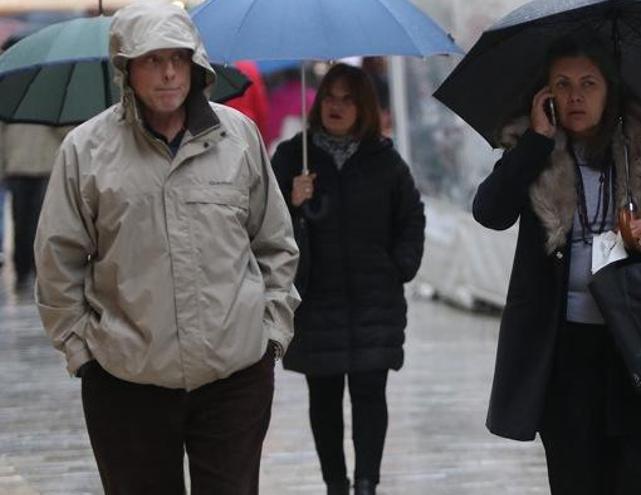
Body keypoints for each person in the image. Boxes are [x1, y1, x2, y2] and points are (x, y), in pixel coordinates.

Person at [33, 2, 299, 494]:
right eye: (152, 60)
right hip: (126, 379)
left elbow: (274, 243)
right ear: (126, 68)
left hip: (234, 373)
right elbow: (58, 261)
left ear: (197, 63)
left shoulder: (238, 137)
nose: (169, 72)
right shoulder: (86, 150)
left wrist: (270, 334)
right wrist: (82, 352)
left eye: (179, 57)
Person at [472, 35, 641, 494]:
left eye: (588, 83)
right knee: (577, 478)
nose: (575, 95)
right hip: (564, 352)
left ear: (610, 91)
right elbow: (490, 212)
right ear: (546, 96)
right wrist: (535, 144)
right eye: (562, 84)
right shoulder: (534, 155)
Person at [271, 63, 425, 495]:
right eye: (330, 98)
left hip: (374, 300)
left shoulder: (385, 161)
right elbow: (259, 219)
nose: (336, 107)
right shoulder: (291, 156)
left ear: (364, 107)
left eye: (348, 99)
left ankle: (366, 483)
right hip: (316, 300)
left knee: (370, 393)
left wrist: (400, 265)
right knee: (323, 397)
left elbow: (412, 217)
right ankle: (335, 484)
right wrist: (291, 199)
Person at [0, 123, 70, 288]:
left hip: (38, 168)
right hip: (25, 168)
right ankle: (27, 269)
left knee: (32, 222)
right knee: (30, 222)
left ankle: (30, 269)